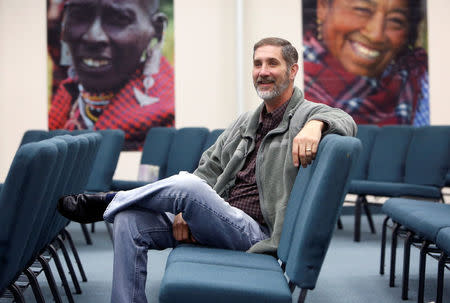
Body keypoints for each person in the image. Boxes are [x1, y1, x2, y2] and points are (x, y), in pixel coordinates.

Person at [58, 37, 357, 303]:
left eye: (272, 63)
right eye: (257, 64)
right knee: (129, 219)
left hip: (255, 233)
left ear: (292, 71)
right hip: (216, 219)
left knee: (188, 188)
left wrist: (317, 126)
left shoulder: (305, 115)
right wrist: (183, 212)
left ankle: (110, 199)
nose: (263, 71)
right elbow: (208, 167)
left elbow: (345, 120)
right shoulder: (246, 121)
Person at [48, 0, 174, 150]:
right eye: (78, 15)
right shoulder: (68, 94)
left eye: (119, 19)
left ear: (157, 30)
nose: (93, 37)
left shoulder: (167, 114)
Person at [302, 0, 429, 125]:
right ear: (322, 7)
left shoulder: (420, 85)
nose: (376, 35)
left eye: (395, 20)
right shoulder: (290, 78)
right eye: (362, 10)